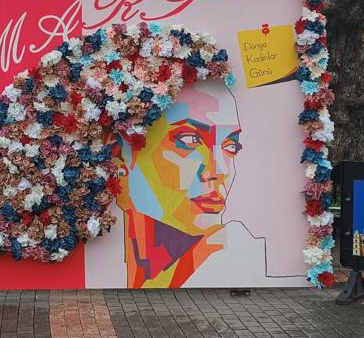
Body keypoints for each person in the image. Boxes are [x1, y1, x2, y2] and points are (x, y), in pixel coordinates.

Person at [114, 80, 266, 288]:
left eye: (231, 147)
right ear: (121, 159)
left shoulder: (242, 262)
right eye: (189, 140)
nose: (218, 171)